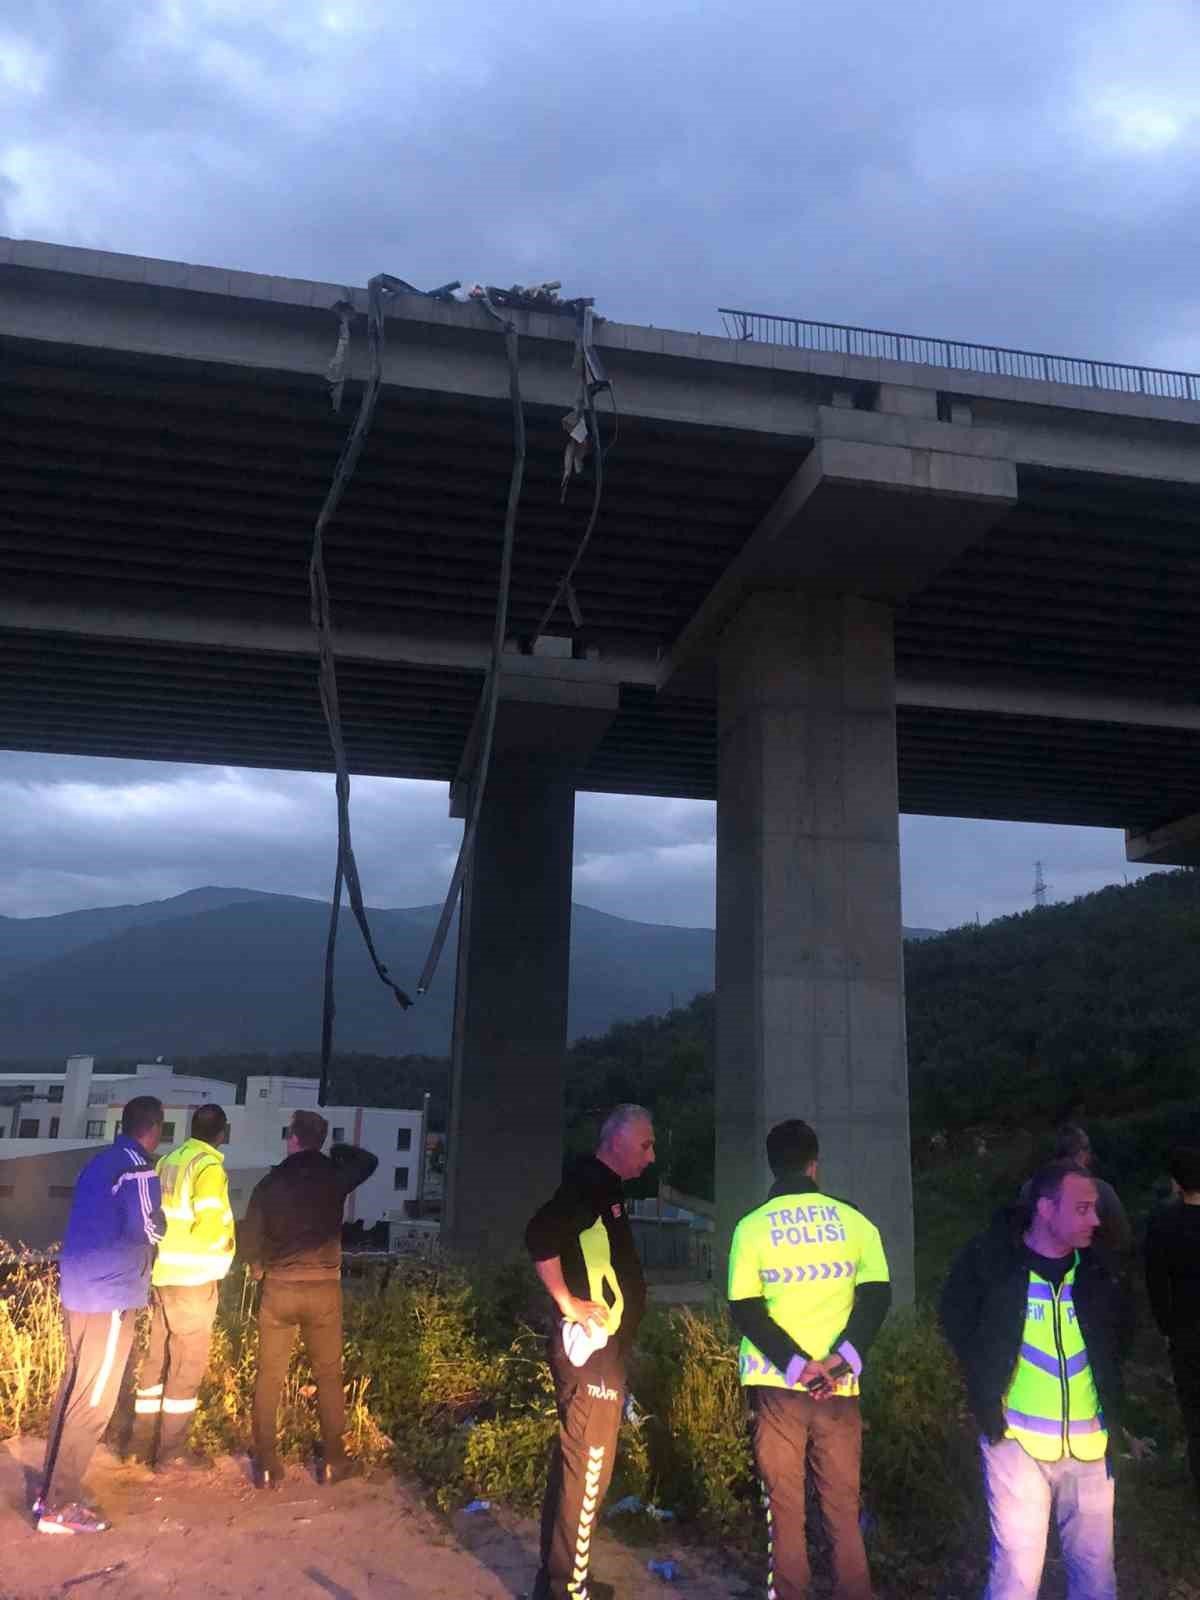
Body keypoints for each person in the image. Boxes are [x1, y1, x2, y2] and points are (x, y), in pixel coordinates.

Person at [940, 1159, 1132, 1600]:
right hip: (1016, 1440)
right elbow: (956, 1317)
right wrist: (988, 1394)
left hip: (1090, 1445)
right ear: (1046, 1209)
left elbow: (1122, 1335)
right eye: (1082, 1209)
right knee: (1017, 1577)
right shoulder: (993, 1263)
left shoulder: (1100, 1272)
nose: (1096, 1219)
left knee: (1097, 1579)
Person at [727, 1118, 891, 1600]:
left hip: (778, 1388)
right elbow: (877, 1298)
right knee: (842, 1511)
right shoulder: (855, 1222)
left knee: (786, 1511)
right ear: (814, 1165)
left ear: (772, 1166)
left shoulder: (751, 1228)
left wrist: (798, 1365)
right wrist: (840, 1361)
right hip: (839, 1391)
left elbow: (745, 1310)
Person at [525, 1104, 656, 1600]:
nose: (651, 1155)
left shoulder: (603, 1188)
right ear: (617, 1142)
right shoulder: (589, 1183)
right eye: (645, 1144)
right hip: (593, 1354)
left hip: (603, 1353)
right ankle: (567, 1591)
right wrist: (567, 1302)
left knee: (577, 1467)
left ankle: (560, 1582)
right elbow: (540, 1235)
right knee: (590, 1469)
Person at [35, 1096, 166, 1535]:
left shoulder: (97, 1164)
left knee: (73, 1391)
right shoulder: (140, 1168)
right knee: (94, 1402)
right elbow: (147, 1228)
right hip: (110, 1295)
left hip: (77, 1289)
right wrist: (163, 1225)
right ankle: (60, 1506)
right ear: (155, 1130)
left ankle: (50, 1492)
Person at [239, 1108, 378, 1488]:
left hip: (280, 1287)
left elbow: (249, 1237)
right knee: (329, 1374)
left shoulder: (270, 1183)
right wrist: (331, 1150)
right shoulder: (334, 1175)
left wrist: (257, 1264)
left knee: (269, 1376)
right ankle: (334, 1460)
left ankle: (267, 1464)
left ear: (291, 1138)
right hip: (323, 1289)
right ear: (318, 1140)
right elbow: (369, 1161)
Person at [129, 1103, 235, 1468]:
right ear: (223, 1133)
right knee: (186, 1365)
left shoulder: (169, 1160)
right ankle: (171, 1454)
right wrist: (226, 1246)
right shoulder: (208, 1166)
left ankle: (139, 1446)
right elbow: (208, 1227)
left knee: (156, 1359)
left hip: (163, 1276)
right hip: (193, 1280)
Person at [1144, 1144, 1200, 1505]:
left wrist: (1167, 1329)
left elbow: (1155, 1284)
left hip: (1187, 1334)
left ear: (1176, 1182)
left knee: (1194, 1411)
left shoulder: (1162, 1224)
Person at [1018, 1126, 1132, 1259]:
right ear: (1083, 1153)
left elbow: (1023, 1230)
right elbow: (1122, 1238)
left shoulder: (1029, 1187)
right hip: (1089, 1270)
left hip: (1037, 1265)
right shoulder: (1102, 1190)